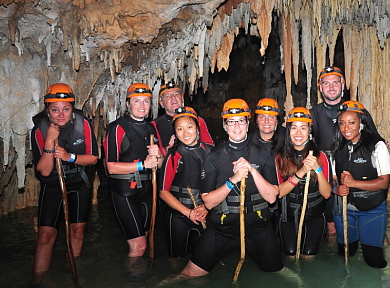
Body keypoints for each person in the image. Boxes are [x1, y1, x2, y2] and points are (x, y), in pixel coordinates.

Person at [180, 99, 283, 277]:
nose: (236, 126)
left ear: (247, 122)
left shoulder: (262, 154)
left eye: (241, 120)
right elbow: (209, 202)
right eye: (231, 121)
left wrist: (251, 169)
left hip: (258, 228)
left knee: (278, 273)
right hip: (222, 230)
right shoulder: (214, 157)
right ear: (225, 125)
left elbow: (273, 197)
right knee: (189, 274)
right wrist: (233, 180)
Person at [30, 83, 99, 284]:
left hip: (79, 182)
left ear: (72, 108)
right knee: (45, 236)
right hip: (53, 185)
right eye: (55, 110)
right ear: (47, 110)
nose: (61, 114)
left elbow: (94, 158)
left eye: (66, 109)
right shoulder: (39, 130)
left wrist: (69, 157)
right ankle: (38, 281)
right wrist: (50, 143)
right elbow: (43, 170)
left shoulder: (82, 124)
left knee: (77, 231)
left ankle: (72, 271)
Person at [310, 66, 379, 236]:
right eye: (326, 83)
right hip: (327, 174)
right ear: (320, 87)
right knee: (332, 227)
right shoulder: (313, 114)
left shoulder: (357, 111)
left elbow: (375, 139)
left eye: (335, 82)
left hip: (356, 170)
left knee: (369, 222)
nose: (331, 87)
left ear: (343, 84)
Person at [104, 83, 163, 269]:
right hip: (125, 192)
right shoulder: (116, 128)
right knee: (138, 246)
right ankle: (133, 286)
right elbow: (111, 167)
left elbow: (159, 164)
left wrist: (159, 156)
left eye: (146, 101)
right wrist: (142, 164)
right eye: (136, 101)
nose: (142, 105)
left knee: (143, 239)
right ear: (128, 104)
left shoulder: (151, 129)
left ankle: (142, 279)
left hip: (146, 190)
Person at [332, 100, 390, 268]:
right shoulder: (337, 147)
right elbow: (334, 179)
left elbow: (384, 182)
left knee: (373, 260)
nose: (346, 128)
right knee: (345, 254)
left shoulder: (377, 146)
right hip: (343, 211)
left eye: (352, 123)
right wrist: (337, 188)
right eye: (342, 123)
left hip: (372, 210)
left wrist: (353, 183)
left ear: (361, 123)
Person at [276, 107, 331, 256]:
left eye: (303, 128)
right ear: (289, 131)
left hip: (314, 217)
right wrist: (300, 173)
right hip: (288, 217)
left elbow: (326, 194)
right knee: (290, 253)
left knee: (308, 255)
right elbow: (279, 193)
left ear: (310, 131)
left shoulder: (321, 156)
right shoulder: (280, 157)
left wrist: (317, 169)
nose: (298, 133)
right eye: (294, 128)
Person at [159, 106, 212, 257]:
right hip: (178, 216)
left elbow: (217, 185)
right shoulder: (173, 156)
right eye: (180, 129)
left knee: (201, 259)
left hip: (203, 212)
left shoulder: (210, 152)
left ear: (197, 128)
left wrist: (206, 208)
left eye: (189, 127)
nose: (186, 133)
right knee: (176, 258)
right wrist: (188, 213)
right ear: (175, 133)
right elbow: (163, 192)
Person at [153, 80, 213, 152]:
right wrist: (168, 149)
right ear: (162, 104)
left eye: (176, 94)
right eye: (167, 96)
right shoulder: (154, 125)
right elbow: (154, 155)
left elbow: (210, 147)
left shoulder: (197, 120)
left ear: (182, 99)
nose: (173, 97)